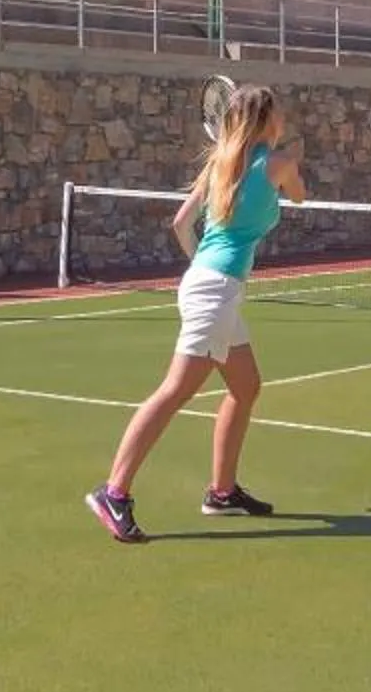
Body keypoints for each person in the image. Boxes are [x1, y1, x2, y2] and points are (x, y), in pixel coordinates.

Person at [86, 84, 309, 544]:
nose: (284, 117)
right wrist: (291, 160)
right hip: (215, 292)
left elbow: (180, 224)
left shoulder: (220, 164)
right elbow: (300, 197)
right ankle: (114, 492)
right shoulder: (279, 164)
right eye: (279, 112)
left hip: (209, 285)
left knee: (246, 387)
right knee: (174, 391)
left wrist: (200, 271)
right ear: (267, 119)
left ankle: (222, 491)